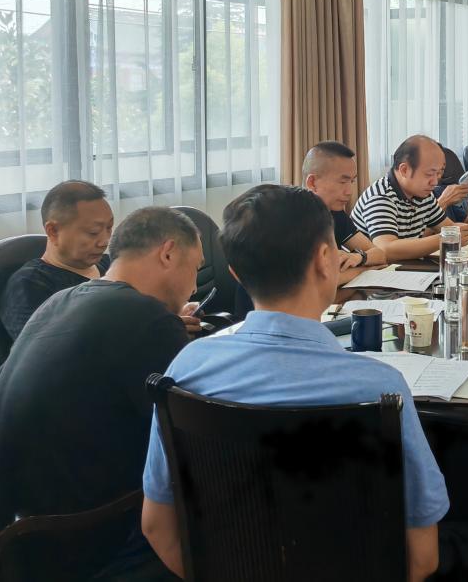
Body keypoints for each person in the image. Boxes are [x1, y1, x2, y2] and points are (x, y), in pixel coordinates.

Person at [141, 185, 448, 582]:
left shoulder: (187, 368)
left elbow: (157, 526)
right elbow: (422, 559)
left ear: (235, 273)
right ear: (325, 259)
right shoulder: (379, 386)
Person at [0, 207, 203, 580]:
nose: (194, 287)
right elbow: (195, 436)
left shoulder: (59, 301)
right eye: (195, 268)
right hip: (94, 539)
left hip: (20, 531)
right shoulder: (147, 319)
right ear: (167, 253)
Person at [0, 180, 114, 341]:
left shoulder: (113, 265)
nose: (104, 241)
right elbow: (42, 350)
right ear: (53, 231)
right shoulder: (31, 285)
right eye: (93, 232)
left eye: (109, 228)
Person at [352, 135, 468, 260]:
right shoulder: (381, 197)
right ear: (404, 170)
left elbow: (449, 228)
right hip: (372, 275)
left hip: (406, 270)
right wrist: (446, 237)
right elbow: (386, 249)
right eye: (429, 174)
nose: (435, 181)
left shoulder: (423, 194)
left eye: (439, 173)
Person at [302, 140, 387, 276]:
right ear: (312, 183)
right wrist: (364, 269)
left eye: (351, 181)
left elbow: (379, 254)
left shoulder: (336, 214)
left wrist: (359, 257)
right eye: (342, 182)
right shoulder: (294, 218)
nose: (349, 191)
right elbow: (315, 279)